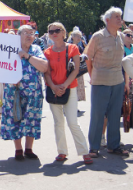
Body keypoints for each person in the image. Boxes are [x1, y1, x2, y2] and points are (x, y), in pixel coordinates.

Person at [43, 22, 92, 164]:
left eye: (57, 30)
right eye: (51, 31)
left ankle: (84, 152)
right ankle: (62, 152)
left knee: (72, 122)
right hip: (53, 89)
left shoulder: (73, 48)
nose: (54, 33)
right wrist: (53, 86)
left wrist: (64, 85)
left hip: (69, 88)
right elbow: (47, 73)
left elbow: (76, 70)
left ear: (64, 33)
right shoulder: (47, 52)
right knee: (58, 123)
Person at [85, 7, 128, 157]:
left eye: (120, 17)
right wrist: (93, 77)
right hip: (100, 82)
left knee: (115, 115)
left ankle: (113, 145)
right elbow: (87, 58)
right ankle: (94, 147)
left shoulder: (121, 36)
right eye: (117, 17)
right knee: (98, 115)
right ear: (107, 20)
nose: (120, 19)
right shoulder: (97, 36)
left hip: (118, 81)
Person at [1, 25, 48, 161]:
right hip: (14, 91)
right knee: (15, 117)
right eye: (26, 33)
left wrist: (27, 56)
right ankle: (18, 149)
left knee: (31, 118)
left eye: (31, 33)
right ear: (19, 35)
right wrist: (10, 78)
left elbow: (44, 67)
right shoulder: (10, 49)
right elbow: (1, 68)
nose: (29, 36)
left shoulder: (36, 49)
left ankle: (29, 148)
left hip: (33, 92)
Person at [70, 30, 86, 102]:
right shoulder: (68, 46)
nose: (79, 38)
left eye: (80, 36)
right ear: (72, 37)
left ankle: (75, 105)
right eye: (77, 36)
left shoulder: (79, 47)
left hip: (79, 70)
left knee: (77, 88)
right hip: (71, 70)